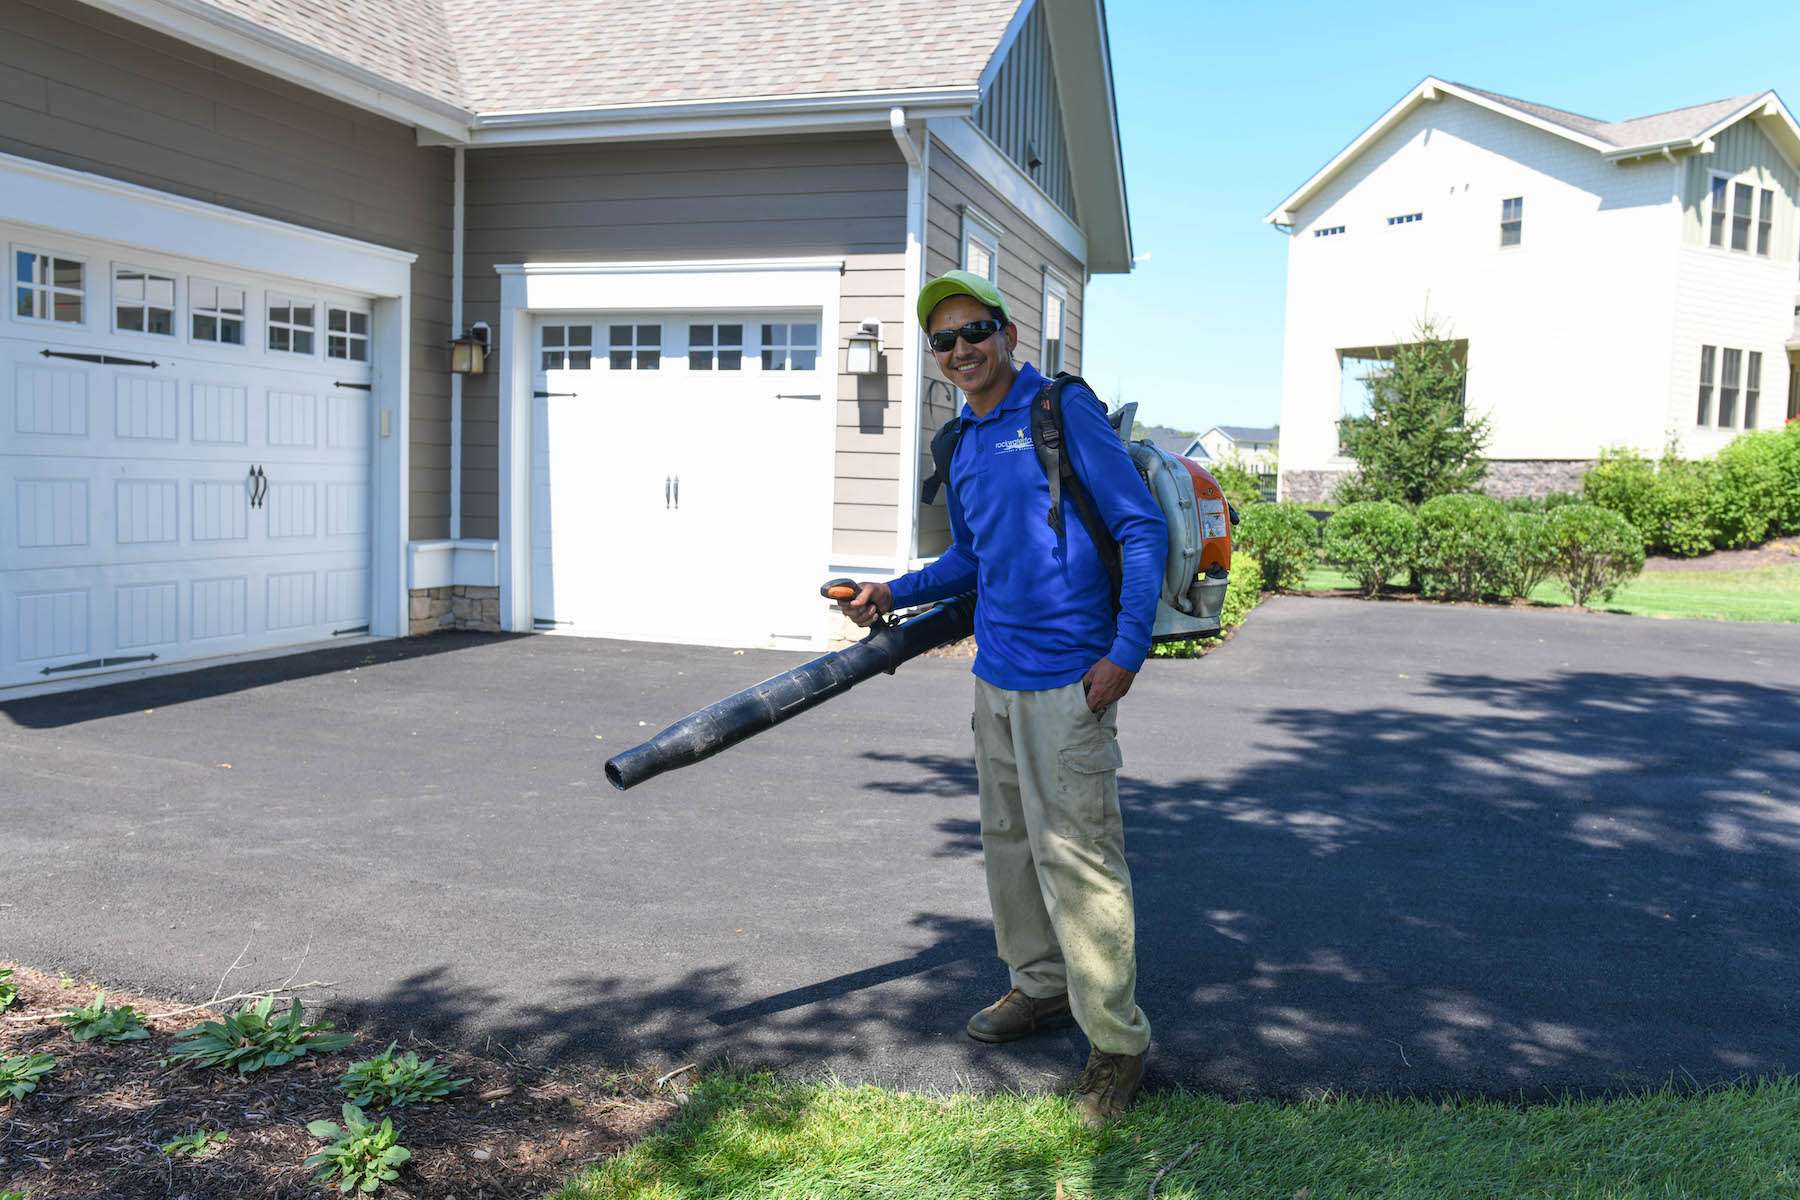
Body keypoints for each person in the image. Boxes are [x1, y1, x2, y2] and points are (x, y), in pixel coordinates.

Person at [837, 269, 1166, 1127]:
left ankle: (1118, 1049)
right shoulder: (968, 444)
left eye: (974, 331)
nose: (960, 350)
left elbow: (1138, 524)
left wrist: (1126, 652)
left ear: (1008, 333)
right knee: (1011, 848)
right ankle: (1041, 989)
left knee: (1081, 862)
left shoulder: (1059, 411)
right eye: (943, 340)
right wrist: (893, 591)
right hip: (997, 681)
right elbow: (971, 563)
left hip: (1073, 680)